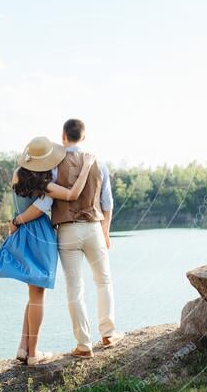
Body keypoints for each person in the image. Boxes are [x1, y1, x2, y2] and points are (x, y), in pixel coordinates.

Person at [13, 119, 124, 359]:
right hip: (94, 227)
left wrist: (17, 220)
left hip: (66, 230)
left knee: (75, 287)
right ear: (83, 137)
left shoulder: (53, 166)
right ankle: (108, 333)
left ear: (63, 137)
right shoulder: (98, 162)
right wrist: (106, 231)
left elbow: (46, 201)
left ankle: (83, 345)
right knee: (103, 281)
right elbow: (107, 203)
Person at [0, 136, 96, 366]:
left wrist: (16, 221)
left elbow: (24, 206)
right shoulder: (45, 186)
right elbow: (72, 195)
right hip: (40, 236)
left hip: (23, 234)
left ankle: (23, 348)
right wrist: (86, 166)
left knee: (32, 295)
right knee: (38, 297)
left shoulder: (17, 174)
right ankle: (34, 354)